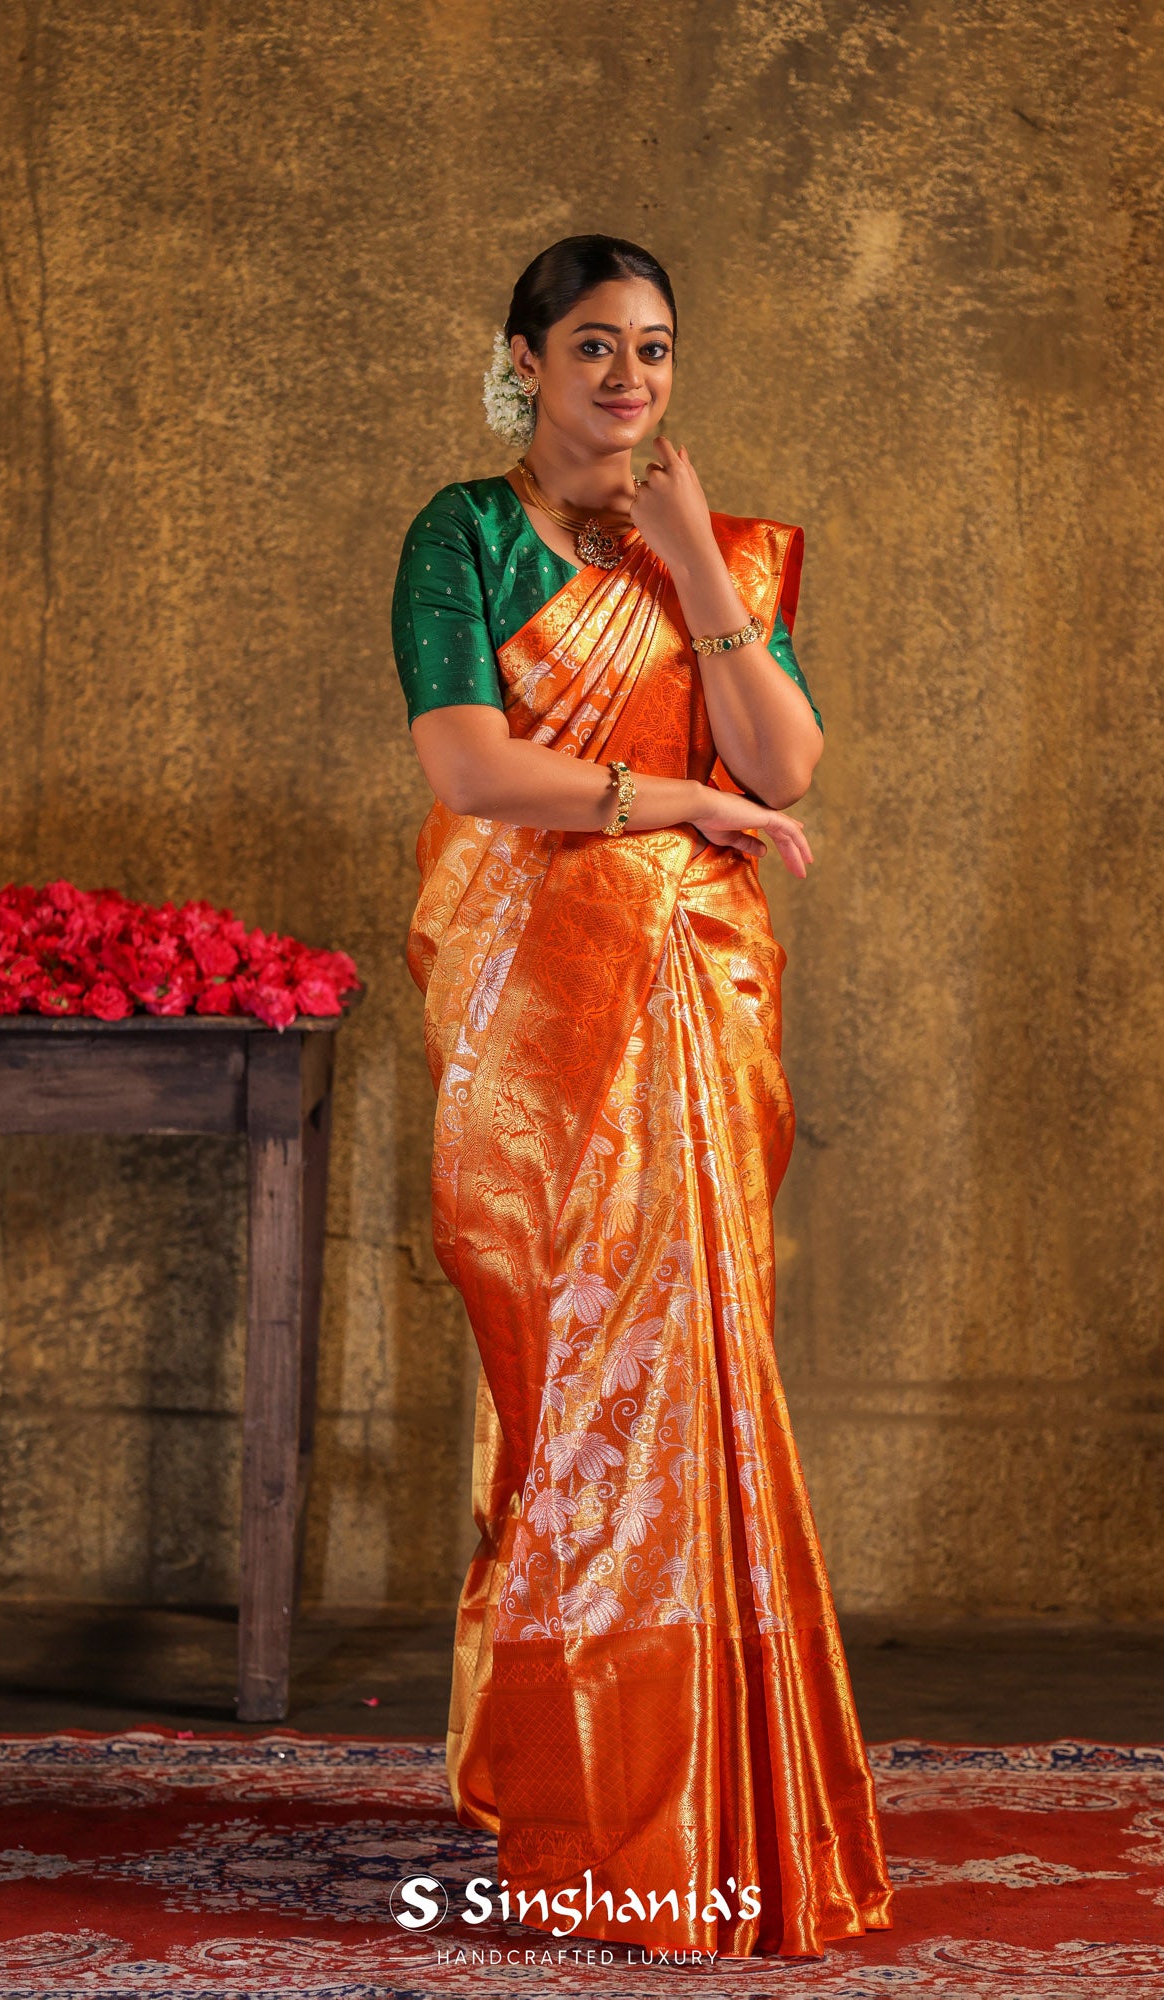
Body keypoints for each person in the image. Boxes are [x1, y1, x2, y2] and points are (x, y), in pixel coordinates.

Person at [391, 234, 893, 1958]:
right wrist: (677, 798)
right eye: (594, 346)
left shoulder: (725, 547)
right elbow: (469, 768)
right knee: (574, 1389)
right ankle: (578, 1796)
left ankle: (698, 1808)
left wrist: (697, 573)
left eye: (657, 350)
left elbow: (792, 765)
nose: (629, 379)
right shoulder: (462, 533)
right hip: (531, 1025)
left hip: (696, 1004)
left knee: (695, 1381)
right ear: (524, 360)